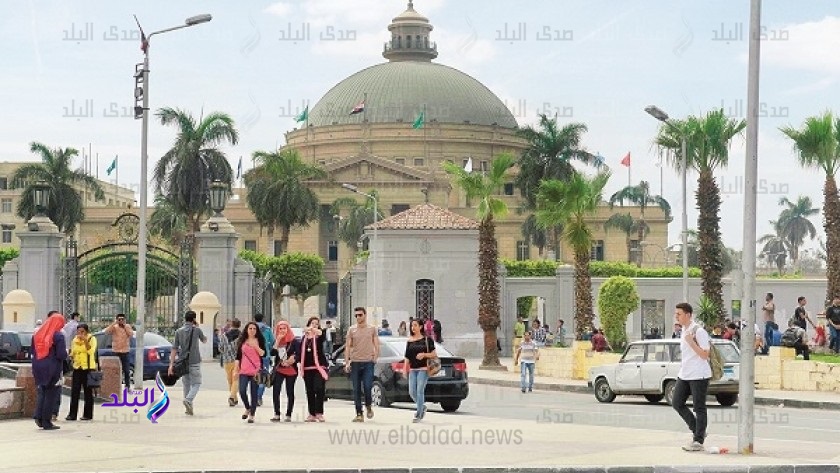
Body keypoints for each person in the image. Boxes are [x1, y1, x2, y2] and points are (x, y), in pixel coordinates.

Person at [672, 302, 711, 452]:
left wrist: (691, 342)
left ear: (688, 315)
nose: (677, 317)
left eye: (679, 314)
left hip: (699, 374)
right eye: (676, 314)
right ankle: (697, 429)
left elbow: (704, 354)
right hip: (685, 374)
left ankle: (698, 441)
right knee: (677, 402)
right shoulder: (683, 330)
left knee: (699, 407)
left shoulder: (698, 331)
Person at [168, 310, 207, 416]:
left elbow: (174, 348)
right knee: (197, 383)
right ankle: (188, 400)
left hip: (182, 362)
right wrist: (197, 326)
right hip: (194, 361)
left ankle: (188, 408)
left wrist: (171, 364)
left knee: (186, 384)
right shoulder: (197, 330)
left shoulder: (178, 331)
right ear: (194, 319)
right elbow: (204, 340)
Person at [31, 312, 66, 430]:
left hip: (38, 366)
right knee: (51, 393)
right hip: (52, 367)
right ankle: (46, 421)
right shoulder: (58, 336)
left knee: (42, 390)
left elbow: (33, 351)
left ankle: (38, 416)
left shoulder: (37, 335)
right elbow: (61, 354)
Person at [345, 307, 380, 422]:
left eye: (360, 315)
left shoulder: (372, 329)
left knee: (367, 386)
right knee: (356, 389)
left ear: (365, 315)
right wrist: (347, 362)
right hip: (355, 362)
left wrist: (375, 357)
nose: (358, 317)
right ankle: (359, 413)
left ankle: (368, 405)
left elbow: (376, 343)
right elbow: (348, 346)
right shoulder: (352, 329)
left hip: (368, 362)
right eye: (356, 315)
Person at [402, 318, 436, 422]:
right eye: (412, 326)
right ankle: (422, 407)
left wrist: (424, 354)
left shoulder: (427, 340)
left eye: (415, 325)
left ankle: (419, 414)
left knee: (420, 390)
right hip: (413, 369)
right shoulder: (409, 341)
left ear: (420, 327)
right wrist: (404, 368)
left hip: (424, 368)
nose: (413, 328)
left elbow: (434, 354)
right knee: (412, 392)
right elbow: (407, 356)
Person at [297, 316, 327, 422]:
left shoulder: (319, 336)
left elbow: (321, 334)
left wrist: (313, 330)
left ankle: (319, 412)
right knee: (309, 390)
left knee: (318, 388)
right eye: (312, 323)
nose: (314, 325)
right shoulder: (304, 338)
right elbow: (300, 352)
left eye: (316, 323)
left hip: (319, 367)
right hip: (307, 367)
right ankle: (312, 413)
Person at [235, 321, 266, 423]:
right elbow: (238, 356)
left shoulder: (260, 340)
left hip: (255, 371)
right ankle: (247, 408)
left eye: (254, 329)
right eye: (250, 329)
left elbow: (263, 354)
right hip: (244, 370)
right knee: (242, 390)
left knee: (254, 393)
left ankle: (252, 414)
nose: (252, 331)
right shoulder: (242, 341)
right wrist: (236, 370)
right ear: (246, 330)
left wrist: (255, 346)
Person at [66, 323, 97, 421]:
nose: (80, 333)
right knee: (75, 391)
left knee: (88, 392)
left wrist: (85, 340)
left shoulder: (92, 339)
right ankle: (72, 414)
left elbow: (91, 351)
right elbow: (73, 352)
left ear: (86, 331)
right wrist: (71, 357)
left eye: (82, 331)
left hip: (87, 368)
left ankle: (87, 415)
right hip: (77, 368)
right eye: (78, 331)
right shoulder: (75, 340)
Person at [271, 320, 300, 423]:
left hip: (291, 369)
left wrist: (292, 359)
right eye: (280, 329)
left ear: (288, 329)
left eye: (284, 328)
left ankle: (288, 414)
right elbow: (272, 353)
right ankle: (277, 413)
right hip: (279, 368)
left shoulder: (294, 341)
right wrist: (278, 340)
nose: (282, 330)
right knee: (276, 391)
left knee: (290, 391)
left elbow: (299, 354)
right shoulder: (277, 340)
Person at [105, 313, 133, 387]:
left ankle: (127, 386)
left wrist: (125, 326)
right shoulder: (114, 327)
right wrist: (114, 323)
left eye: (122, 319)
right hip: (116, 351)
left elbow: (131, 334)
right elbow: (107, 331)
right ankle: (116, 386)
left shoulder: (127, 326)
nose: (121, 320)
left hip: (125, 351)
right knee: (116, 370)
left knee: (126, 370)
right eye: (119, 319)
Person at [218, 318, 241, 406]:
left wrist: (226, 351)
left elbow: (220, 348)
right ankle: (233, 397)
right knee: (236, 379)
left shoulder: (224, 335)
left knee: (230, 380)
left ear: (231, 325)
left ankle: (233, 398)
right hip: (238, 361)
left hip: (227, 360)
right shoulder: (241, 335)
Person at [253, 313, 275, 407]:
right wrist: (268, 348)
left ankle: (253, 397)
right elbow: (273, 341)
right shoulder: (267, 329)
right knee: (263, 377)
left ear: (254, 319)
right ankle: (259, 397)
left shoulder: (251, 329)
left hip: (253, 356)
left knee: (253, 376)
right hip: (265, 355)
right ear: (263, 319)